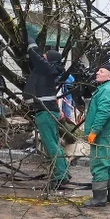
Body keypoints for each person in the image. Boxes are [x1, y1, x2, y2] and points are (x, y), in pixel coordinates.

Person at [24, 42, 69, 190]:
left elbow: (37, 58)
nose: (42, 57)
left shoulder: (49, 69)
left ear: (49, 60)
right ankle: (64, 173)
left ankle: (60, 176)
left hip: (45, 112)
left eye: (45, 57)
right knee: (55, 143)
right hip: (46, 111)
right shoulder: (45, 70)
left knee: (51, 145)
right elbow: (36, 60)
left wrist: (31, 45)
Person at [83, 63, 110, 208]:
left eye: (101, 71)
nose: (97, 73)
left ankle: (99, 199)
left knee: (100, 164)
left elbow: (103, 113)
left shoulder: (106, 90)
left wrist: (94, 131)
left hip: (104, 134)